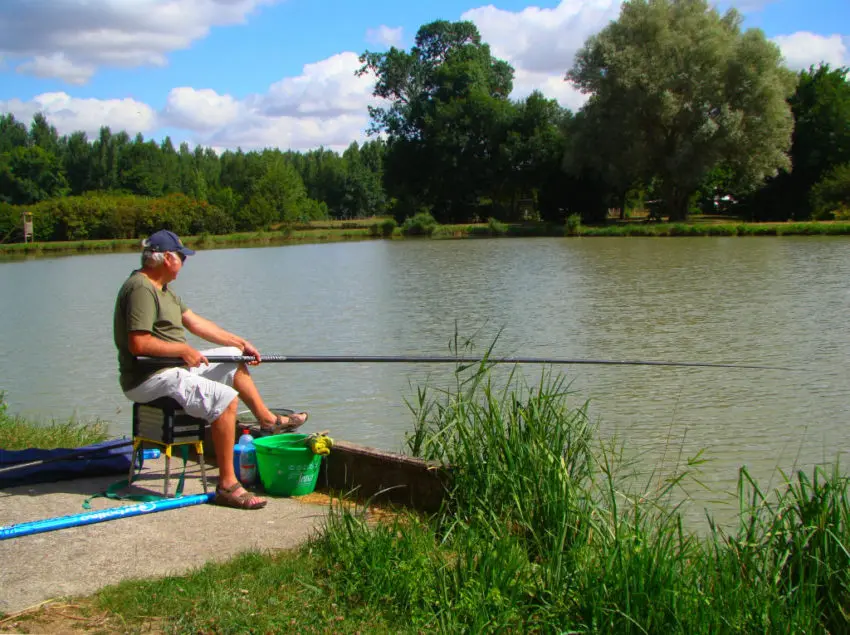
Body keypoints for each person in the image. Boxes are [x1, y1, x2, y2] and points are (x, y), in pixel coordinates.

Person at [113, 229, 308, 510]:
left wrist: (241, 344)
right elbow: (138, 343)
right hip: (148, 377)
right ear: (167, 258)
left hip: (172, 368)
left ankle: (268, 421)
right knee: (226, 399)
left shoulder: (163, 289)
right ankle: (227, 485)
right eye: (182, 257)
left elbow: (196, 324)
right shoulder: (141, 288)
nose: (184, 262)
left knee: (232, 357)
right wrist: (182, 350)